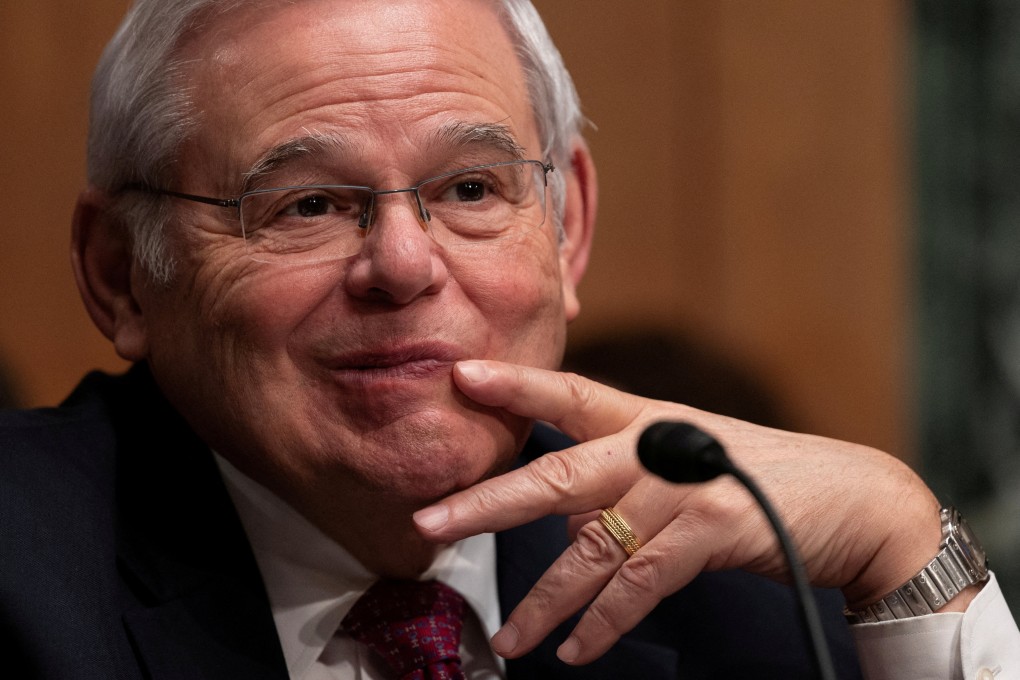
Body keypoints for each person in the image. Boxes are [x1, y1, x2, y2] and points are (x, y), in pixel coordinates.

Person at [0, 0, 1017, 678]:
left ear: (567, 225)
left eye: (471, 188)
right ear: (120, 274)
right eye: (306, 203)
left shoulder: (738, 602)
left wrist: (907, 548)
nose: (403, 263)